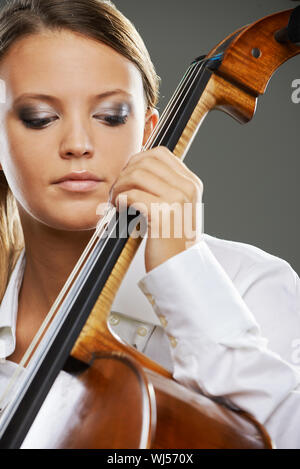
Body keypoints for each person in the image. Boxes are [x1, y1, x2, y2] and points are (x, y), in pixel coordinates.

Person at [0, 0, 299, 449]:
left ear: (148, 134)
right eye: (40, 118)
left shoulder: (254, 287)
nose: (78, 144)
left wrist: (184, 274)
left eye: (111, 116)